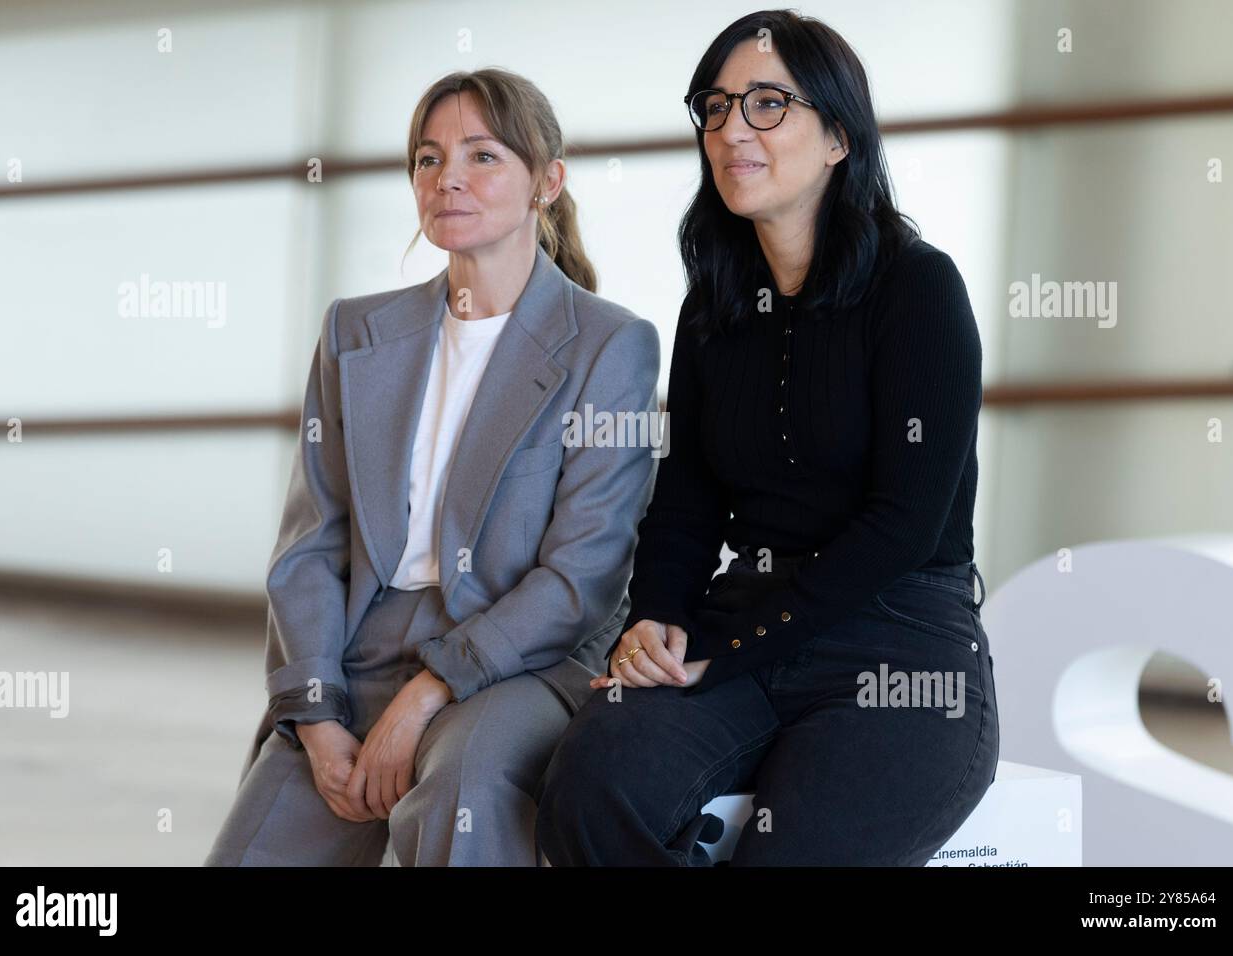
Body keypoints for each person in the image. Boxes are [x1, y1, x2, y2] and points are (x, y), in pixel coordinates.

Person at [536, 9, 998, 866]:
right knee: (590, 786)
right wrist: (658, 619)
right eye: (715, 106)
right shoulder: (714, 301)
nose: (732, 129)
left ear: (838, 137)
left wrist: (730, 647)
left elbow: (905, 527)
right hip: (740, 618)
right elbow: (686, 499)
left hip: (898, 641)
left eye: (767, 105)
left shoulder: (919, 288)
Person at [205, 67, 659, 866]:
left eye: (483, 156)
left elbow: (582, 576)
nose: (448, 177)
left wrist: (425, 695)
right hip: (364, 649)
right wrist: (315, 715)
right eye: (427, 157)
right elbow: (312, 543)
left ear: (546, 180)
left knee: (462, 795)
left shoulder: (609, 345)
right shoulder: (356, 334)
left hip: (521, 662)